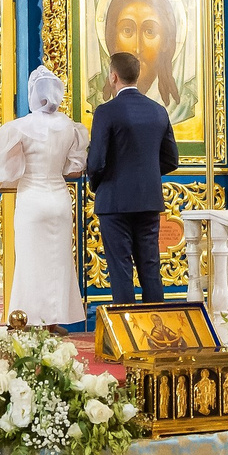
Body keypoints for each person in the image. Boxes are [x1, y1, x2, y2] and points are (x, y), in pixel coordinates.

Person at [0, 68, 89, 328]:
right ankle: (54, 321)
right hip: (59, 199)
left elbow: (7, 170)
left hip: (32, 198)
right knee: (59, 260)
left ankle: (29, 319)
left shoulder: (20, 127)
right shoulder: (71, 127)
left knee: (31, 262)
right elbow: (73, 169)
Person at [86, 49, 178, 305]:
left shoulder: (106, 111)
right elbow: (172, 159)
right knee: (151, 269)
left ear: (113, 76)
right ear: (136, 76)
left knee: (121, 270)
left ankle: (127, 336)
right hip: (149, 200)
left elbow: (96, 161)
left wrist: (100, 184)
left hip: (114, 202)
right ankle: (157, 335)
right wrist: (145, 175)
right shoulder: (158, 111)